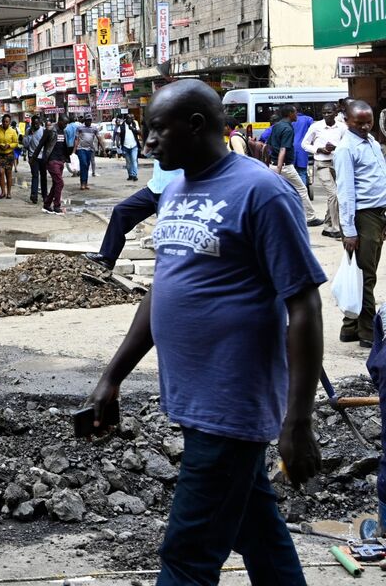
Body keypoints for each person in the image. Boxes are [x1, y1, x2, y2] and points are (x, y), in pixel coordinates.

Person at [86, 79, 324, 585]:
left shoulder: (262, 191)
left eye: (156, 129)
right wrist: (113, 377)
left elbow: (303, 304)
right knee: (259, 531)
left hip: (231, 403)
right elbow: (164, 289)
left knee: (187, 557)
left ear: (196, 126)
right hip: (193, 397)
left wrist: (297, 420)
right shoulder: (173, 190)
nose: (147, 141)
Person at [334, 100, 386, 346]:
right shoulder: (346, 148)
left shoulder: (371, 142)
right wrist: (350, 231)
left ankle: (349, 327)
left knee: (359, 273)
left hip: (377, 214)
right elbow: (345, 194)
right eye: (360, 123)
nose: (365, 127)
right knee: (366, 276)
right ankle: (367, 332)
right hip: (363, 216)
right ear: (347, 121)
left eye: (369, 122)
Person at [84, 161, 182, 270]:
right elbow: (148, 153)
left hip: (174, 191)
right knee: (121, 212)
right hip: (154, 188)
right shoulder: (158, 145)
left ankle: (176, 274)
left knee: (171, 234)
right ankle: (107, 257)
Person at [268, 106, 321, 226]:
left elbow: (268, 146)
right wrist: (279, 169)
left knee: (279, 191)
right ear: (290, 114)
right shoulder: (288, 129)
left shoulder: (277, 126)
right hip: (284, 167)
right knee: (302, 189)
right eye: (295, 113)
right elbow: (283, 149)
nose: (297, 115)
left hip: (274, 164)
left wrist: (271, 164)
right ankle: (310, 217)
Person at [303, 103, 347, 240]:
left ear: (335, 112)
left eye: (329, 112)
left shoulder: (342, 127)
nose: (326, 115)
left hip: (338, 163)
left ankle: (327, 225)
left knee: (336, 195)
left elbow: (347, 145)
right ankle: (335, 228)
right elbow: (304, 144)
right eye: (324, 113)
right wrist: (319, 149)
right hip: (322, 163)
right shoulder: (316, 126)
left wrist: (336, 147)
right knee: (333, 194)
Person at [41, 117, 70, 215]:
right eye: (64, 123)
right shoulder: (50, 130)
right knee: (60, 183)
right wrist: (34, 158)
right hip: (52, 160)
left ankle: (47, 204)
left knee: (56, 184)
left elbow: (64, 146)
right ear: (60, 121)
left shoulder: (63, 131)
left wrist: (65, 158)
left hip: (60, 160)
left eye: (66, 124)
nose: (65, 126)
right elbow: (41, 144)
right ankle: (57, 205)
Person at [24, 115, 47, 205]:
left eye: (37, 123)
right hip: (33, 157)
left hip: (42, 157)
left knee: (43, 176)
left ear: (40, 123)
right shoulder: (28, 131)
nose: (36, 125)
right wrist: (30, 135)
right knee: (35, 175)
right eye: (34, 124)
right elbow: (25, 144)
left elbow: (46, 144)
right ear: (32, 123)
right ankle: (34, 195)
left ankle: (45, 195)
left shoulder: (43, 131)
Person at [0, 114, 18, 199]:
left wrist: (9, 146)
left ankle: (9, 192)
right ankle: (3, 192)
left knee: (9, 173)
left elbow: (16, 143)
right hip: (0, 155)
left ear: (9, 122)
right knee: (1, 172)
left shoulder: (13, 131)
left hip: (9, 155)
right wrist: (0, 145)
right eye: (4, 121)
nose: (5, 123)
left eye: (7, 122)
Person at [73, 117, 101, 191]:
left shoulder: (94, 128)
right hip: (81, 149)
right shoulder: (79, 128)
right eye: (87, 120)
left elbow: (99, 138)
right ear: (85, 121)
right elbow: (76, 139)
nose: (89, 122)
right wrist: (74, 150)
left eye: (90, 120)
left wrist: (103, 149)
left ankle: (85, 183)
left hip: (90, 149)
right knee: (84, 164)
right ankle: (82, 183)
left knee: (87, 165)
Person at [293, 109, 315, 197]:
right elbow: (314, 130)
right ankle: (303, 194)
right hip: (302, 148)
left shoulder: (290, 120)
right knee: (302, 171)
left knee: (292, 172)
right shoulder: (308, 119)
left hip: (290, 148)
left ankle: (294, 192)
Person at [115, 111, 141, 181]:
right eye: (129, 119)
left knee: (134, 160)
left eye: (131, 119)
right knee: (128, 162)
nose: (131, 120)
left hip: (134, 146)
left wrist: (133, 129)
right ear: (126, 119)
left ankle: (134, 175)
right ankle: (130, 175)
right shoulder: (122, 125)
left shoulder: (134, 124)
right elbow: (117, 135)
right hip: (125, 146)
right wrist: (117, 143)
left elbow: (139, 132)